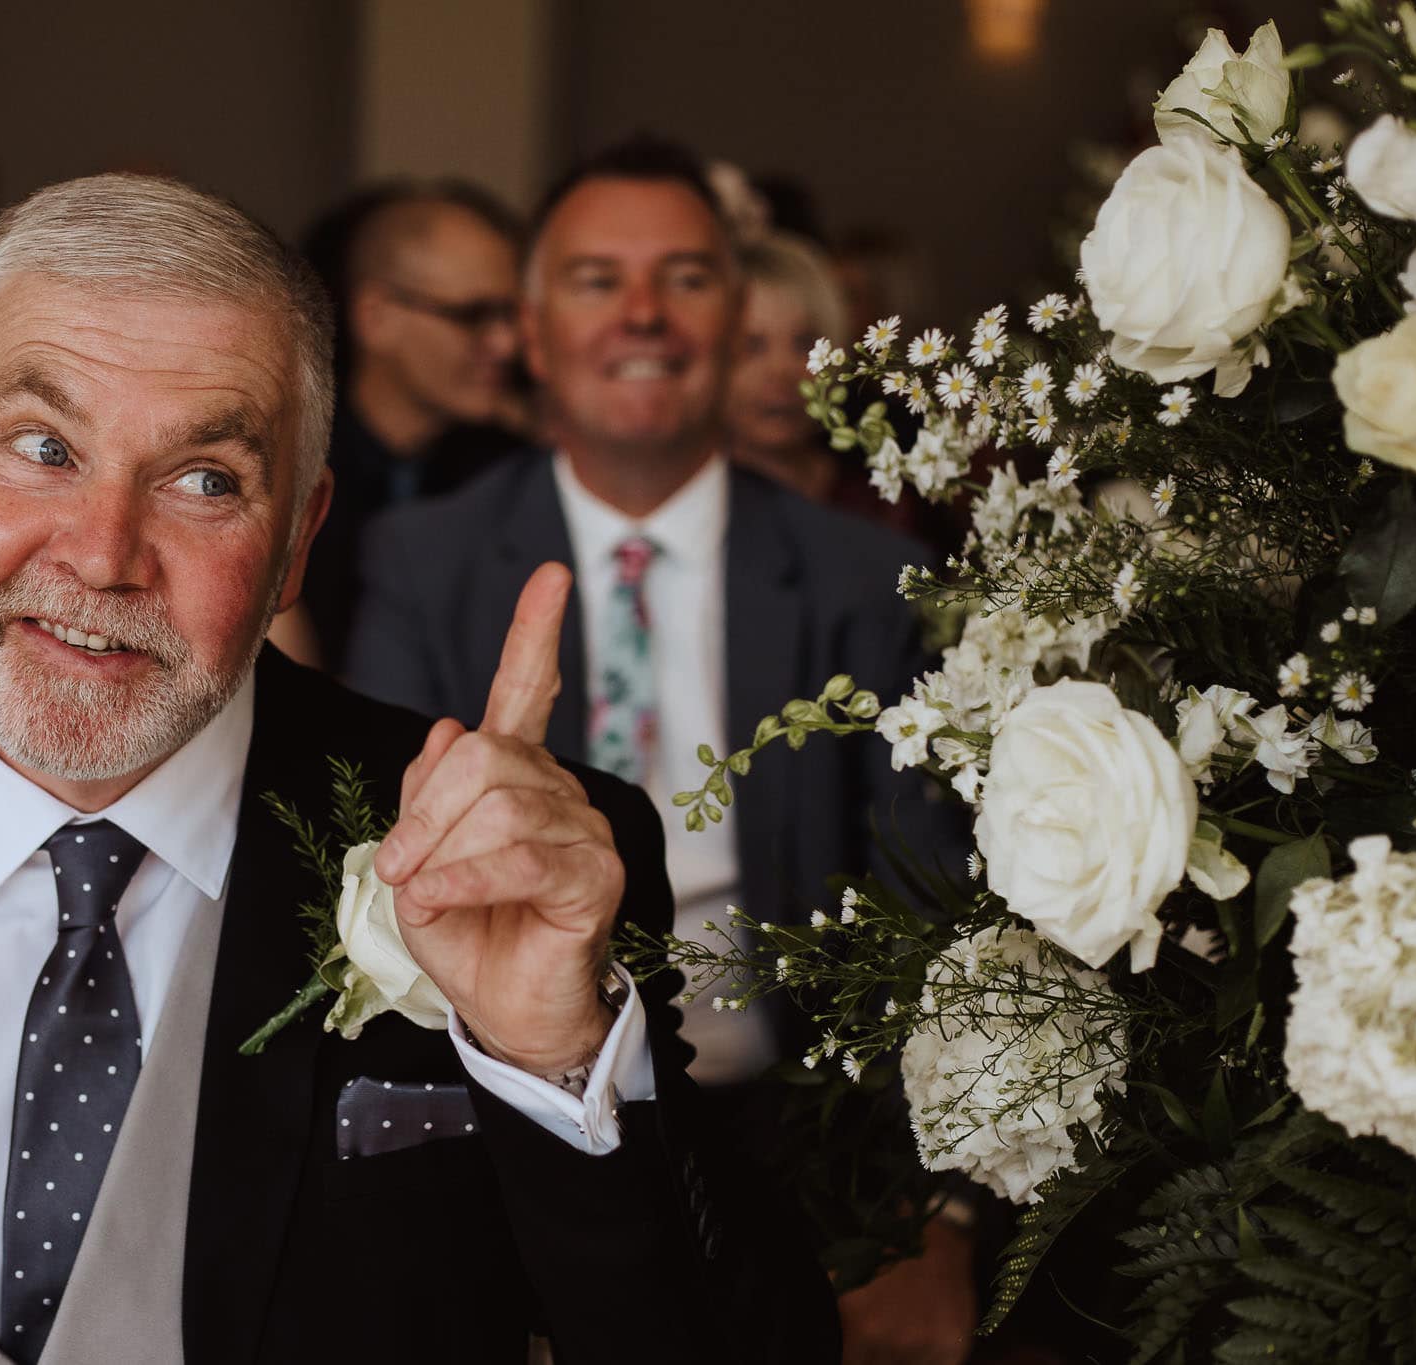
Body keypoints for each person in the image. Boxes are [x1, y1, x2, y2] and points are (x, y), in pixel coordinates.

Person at [0, 173, 837, 1363]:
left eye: (202, 479)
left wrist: (543, 1054)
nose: (102, 555)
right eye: (41, 447)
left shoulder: (503, 856)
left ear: (299, 536)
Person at [345, 136, 975, 1365]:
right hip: (514, 1118)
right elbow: (376, 872)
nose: (642, 312)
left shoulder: (870, 583)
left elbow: (939, 916)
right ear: (530, 330)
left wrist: (932, 1214)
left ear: (737, 317)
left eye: (685, 277)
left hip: (810, 1132)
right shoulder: (421, 563)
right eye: (596, 279)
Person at [276, 181, 525, 668]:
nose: (505, 344)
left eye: (511, 315)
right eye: (472, 315)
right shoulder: (286, 465)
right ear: (376, 317)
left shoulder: (516, 475)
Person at [727, 231, 924, 537]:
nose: (781, 371)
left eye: (805, 343)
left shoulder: (880, 502)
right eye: (752, 346)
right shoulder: (684, 504)